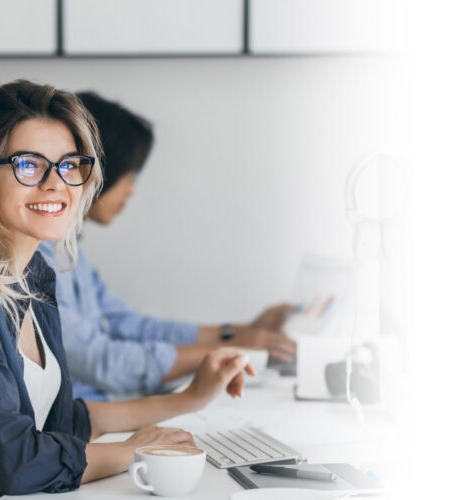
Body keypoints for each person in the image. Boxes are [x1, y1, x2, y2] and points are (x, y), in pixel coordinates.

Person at [0, 80, 254, 499]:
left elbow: (58, 422)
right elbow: (17, 463)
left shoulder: (32, 274)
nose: (57, 182)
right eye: (29, 165)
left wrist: (189, 399)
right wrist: (135, 450)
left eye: (70, 164)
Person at [38, 92, 297, 402]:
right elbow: (102, 361)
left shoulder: (69, 251)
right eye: (129, 174)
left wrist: (238, 333)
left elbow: (130, 325)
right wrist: (232, 349)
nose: (132, 189)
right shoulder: (36, 260)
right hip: (85, 426)